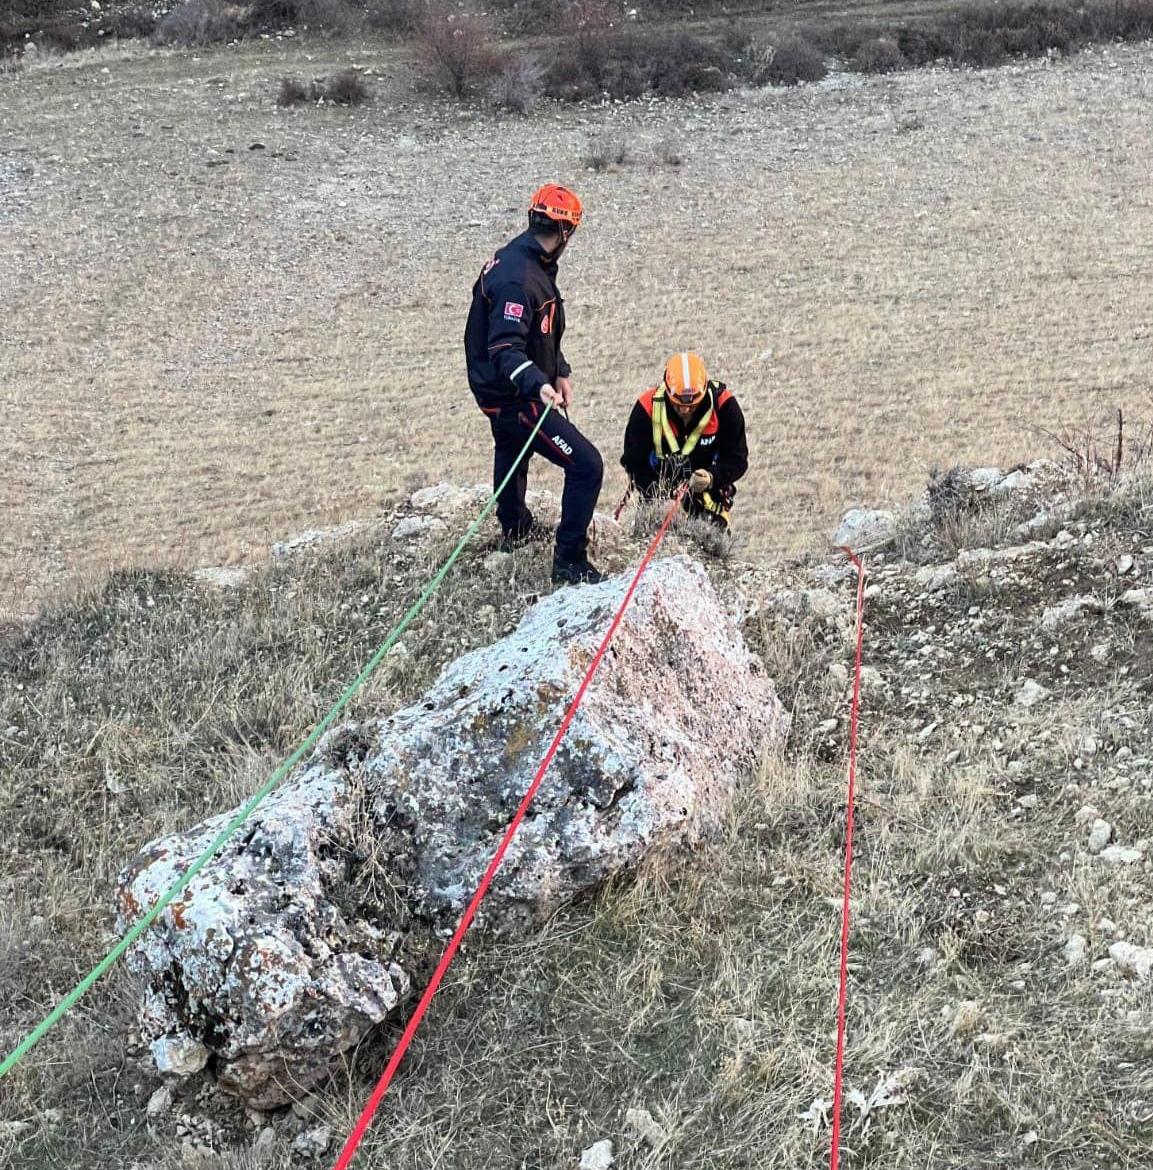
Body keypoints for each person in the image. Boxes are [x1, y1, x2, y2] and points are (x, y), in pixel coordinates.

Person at [464, 184, 605, 586]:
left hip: (500, 390)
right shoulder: (518, 279)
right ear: (566, 232)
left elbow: (538, 333)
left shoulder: (528, 260)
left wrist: (559, 367)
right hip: (513, 394)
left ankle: (515, 527)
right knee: (586, 465)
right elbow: (507, 346)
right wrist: (534, 384)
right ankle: (569, 561)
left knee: (510, 448)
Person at [620, 352, 748, 528]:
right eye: (678, 405)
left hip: (709, 502)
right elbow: (632, 463)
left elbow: (737, 460)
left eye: (692, 406)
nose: (686, 411)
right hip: (658, 503)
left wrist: (711, 477)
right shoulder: (646, 409)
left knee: (712, 547)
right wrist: (658, 496)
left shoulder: (725, 407)